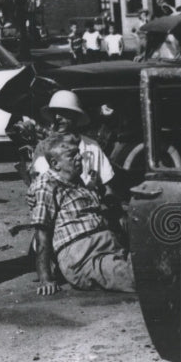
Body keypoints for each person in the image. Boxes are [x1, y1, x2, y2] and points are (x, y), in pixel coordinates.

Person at [27, 133, 136, 296]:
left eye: (78, 152)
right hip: (84, 256)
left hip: (109, 247)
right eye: (72, 155)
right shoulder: (46, 185)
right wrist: (45, 278)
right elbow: (42, 233)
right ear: (55, 164)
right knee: (141, 277)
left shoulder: (77, 181)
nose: (80, 158)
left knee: (152, 264)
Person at [30, 90, 116, 195]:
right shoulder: (43, 147)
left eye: (63, 112)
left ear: (76, 116)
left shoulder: (92, 147)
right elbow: (39, 187)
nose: (57, 117)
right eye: (55, 113)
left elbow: (107, 187)